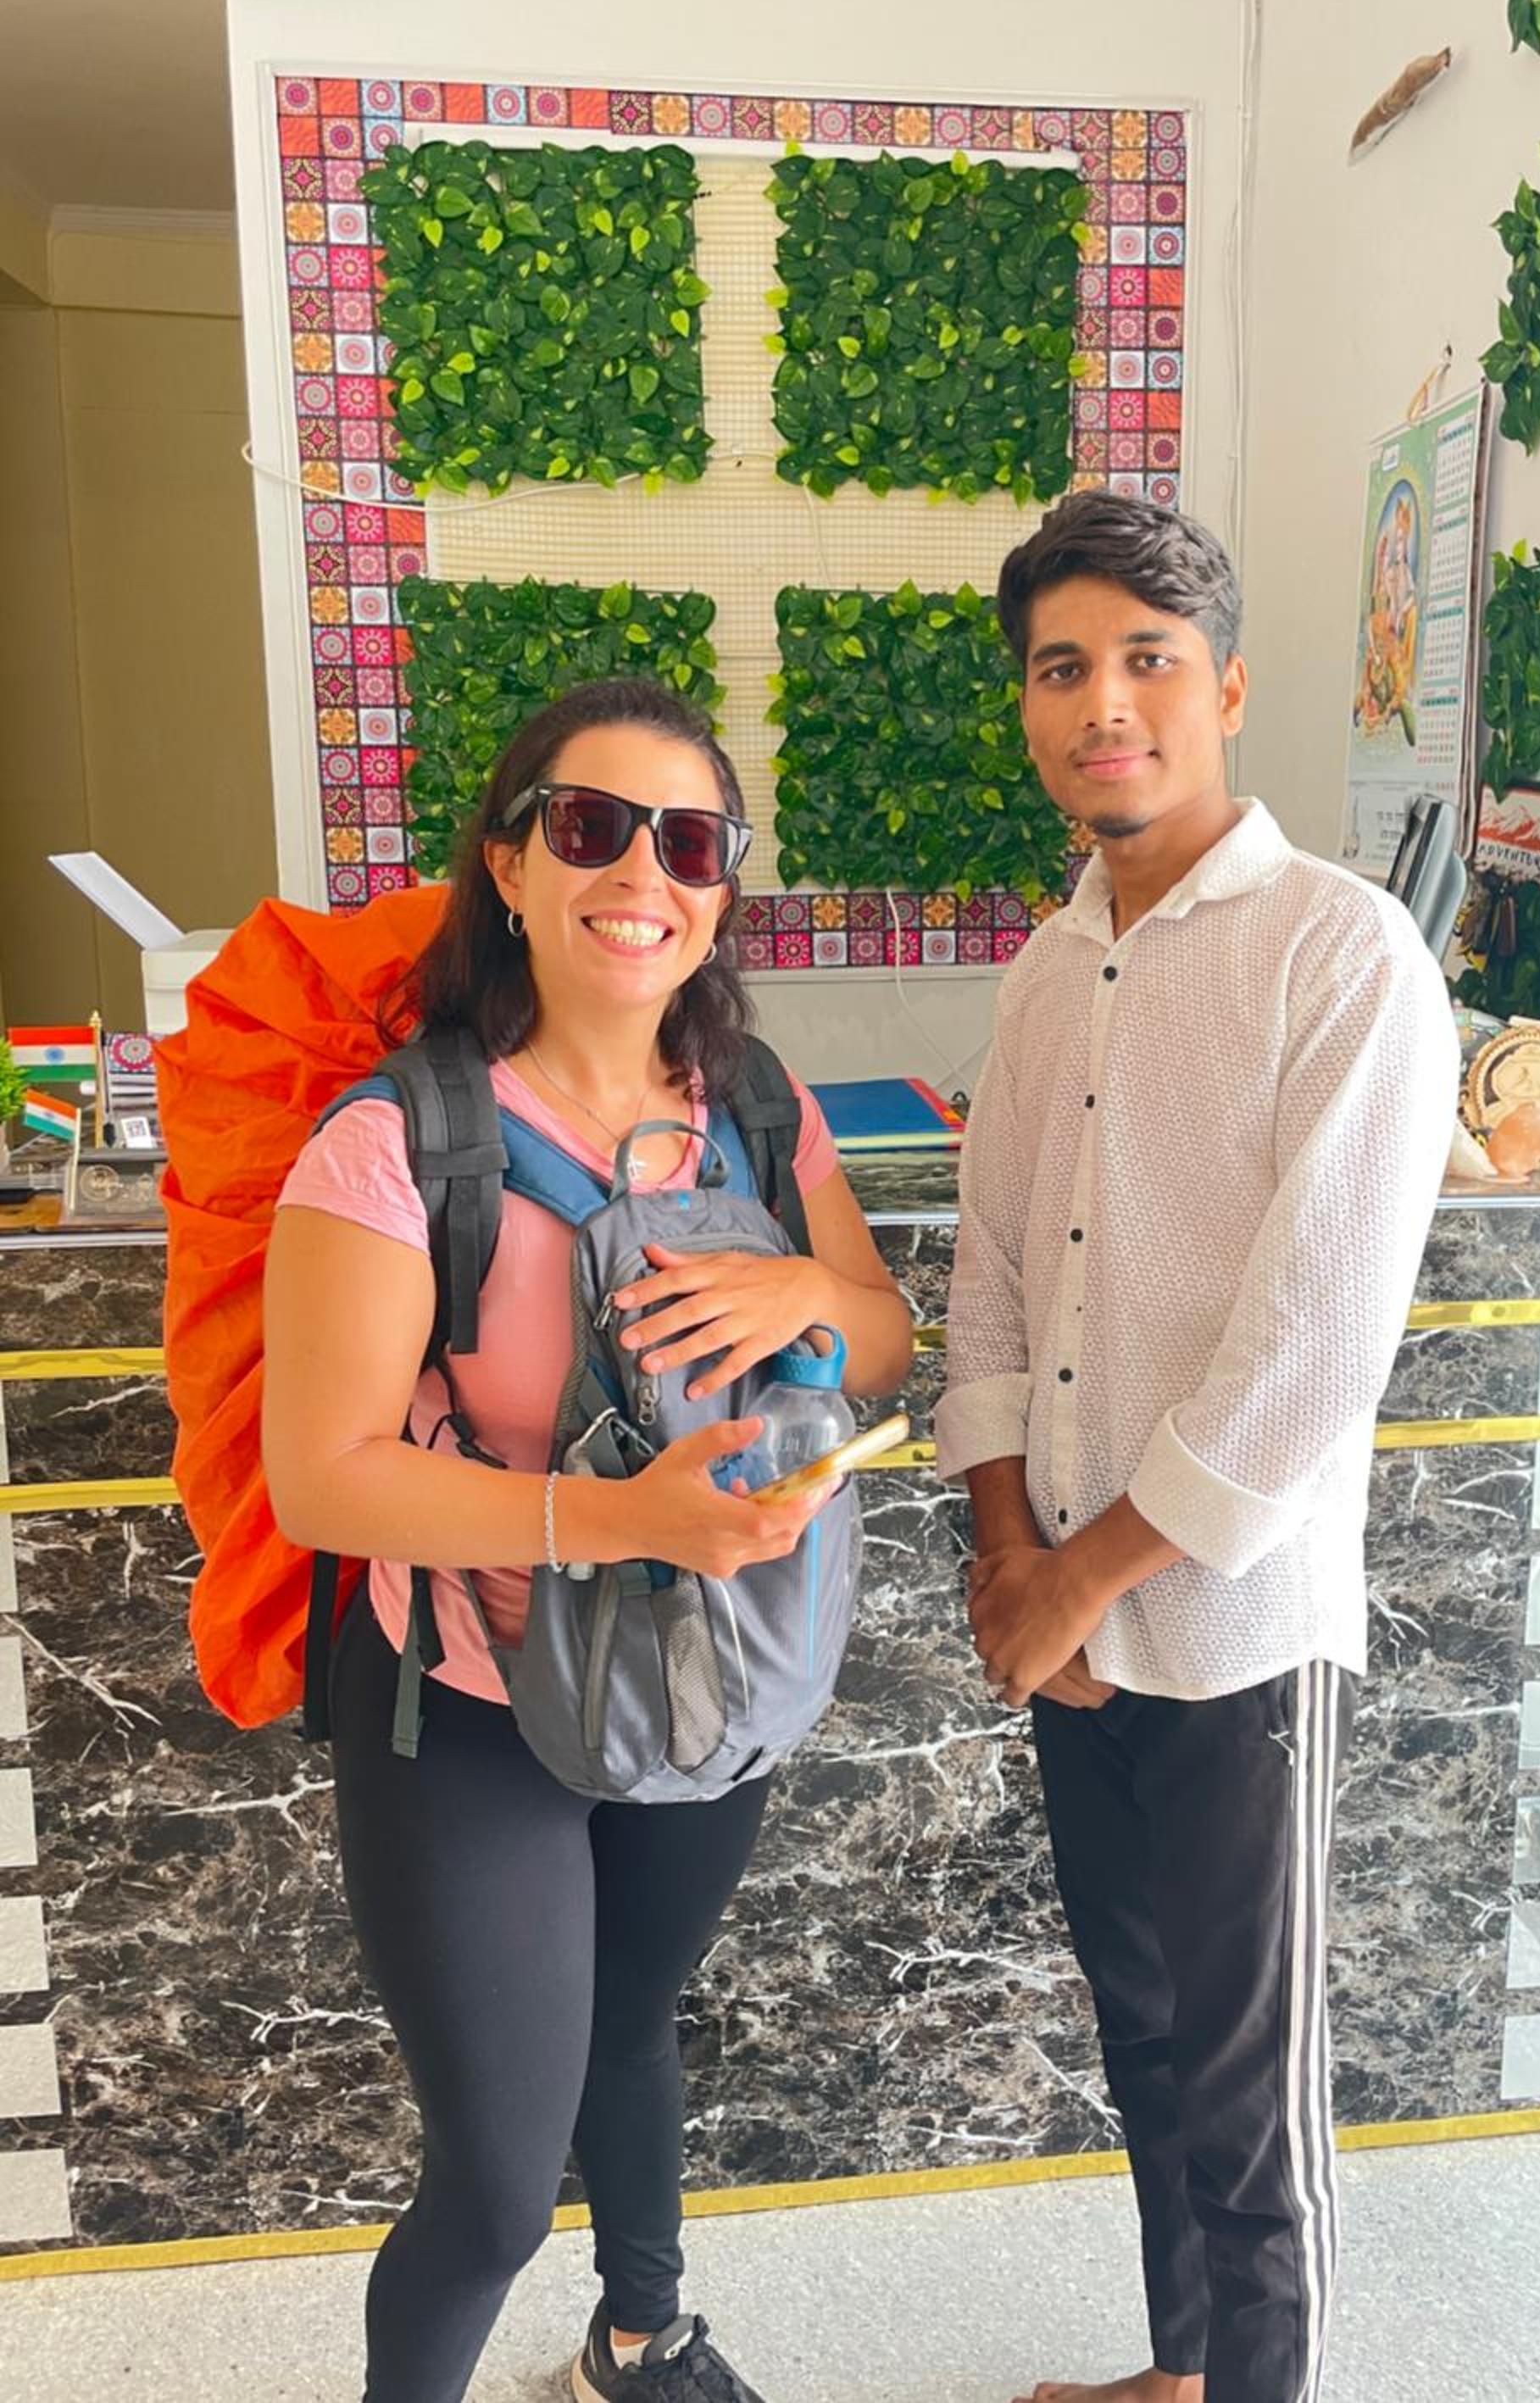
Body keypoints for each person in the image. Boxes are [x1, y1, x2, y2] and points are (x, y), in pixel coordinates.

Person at [262, 678, 914, 2403]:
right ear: (510, 860)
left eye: (688, 840)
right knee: (492, 2184)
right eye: (590, 826)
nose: (642, 872)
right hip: (468, 1705)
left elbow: (884, 1335)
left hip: (704, 1668)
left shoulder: (756, 1107)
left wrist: (805, 1288)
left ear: (722, 884)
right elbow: (323, 1478)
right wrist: (619, 1517)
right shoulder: (398, 1144)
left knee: (633, 2019)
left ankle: (641, 2337)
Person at [937, 492, 1455, 2403]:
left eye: (1148, 661)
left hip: (1225, 1628)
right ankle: (1187, 2375)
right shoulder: (1045, 970)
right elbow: (994, 1279)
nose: (1104, 705)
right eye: (1062, 668)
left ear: (1225, 688)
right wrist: (1011, 1557)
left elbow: (1309, 1358)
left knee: (1247, 2088)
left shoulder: (1343, 955)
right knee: (1143, 2037)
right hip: (1068, 1625)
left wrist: (1072, 1579)